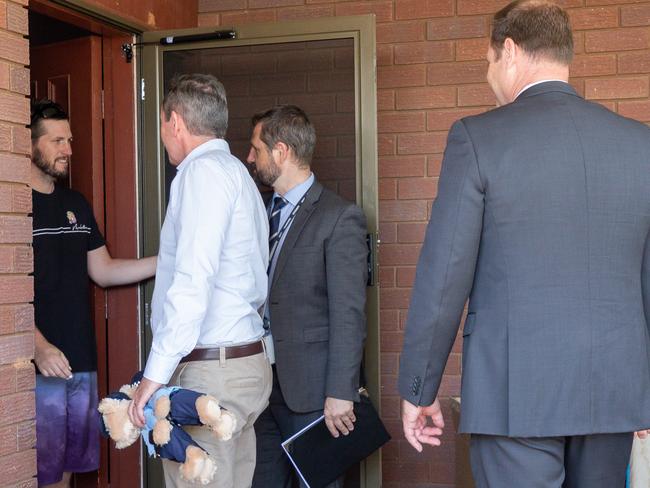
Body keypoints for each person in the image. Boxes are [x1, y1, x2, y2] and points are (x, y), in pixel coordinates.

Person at [397, 1, 650, 487]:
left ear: (509, 51)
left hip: (516, 391)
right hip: (614, 388)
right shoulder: (638, 144)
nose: (489, 75)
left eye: (488, 61)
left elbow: (445, 273)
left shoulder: (478, 138)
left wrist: (419, 386)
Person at [127, 73, 272, 488]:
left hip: (214, 371)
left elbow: (193, 281)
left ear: (175, 122)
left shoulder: (200, 174)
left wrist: (152, 377)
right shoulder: (237, 174)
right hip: (245, 361)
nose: (163, 136)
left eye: (161, 126)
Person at [30, 99, 157, 488]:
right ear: (28, 144)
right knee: (39, 472)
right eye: (57, 141)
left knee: (66, 472)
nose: (68, 149)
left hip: (79, 362)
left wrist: (170, 261)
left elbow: (103, 270)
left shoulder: (76, 204)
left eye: (69, 140)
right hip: (38, 365)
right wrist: (37, 346)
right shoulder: (13, 208)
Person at [247, 105, 368, 488]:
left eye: (256, 149)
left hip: (315, 394)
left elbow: (349, 314)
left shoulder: (339, 216)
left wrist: (340, 393)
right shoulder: (258, 213)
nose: (249, 158)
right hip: (260, 388)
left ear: (281, 151)